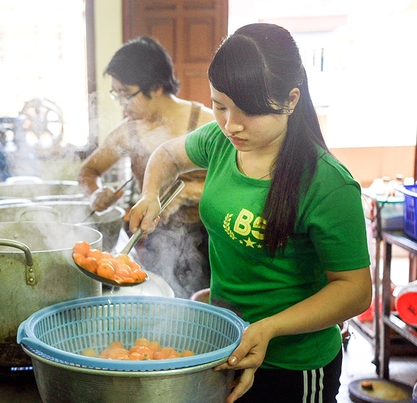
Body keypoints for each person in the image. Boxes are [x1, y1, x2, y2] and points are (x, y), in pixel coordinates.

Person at [128, 23, 372, 403]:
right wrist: (150, 195)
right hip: (228, 344)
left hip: (294, 366)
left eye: (249, 111)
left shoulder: (328, 184)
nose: (231, 124)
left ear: (291, 100)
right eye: (219, 105)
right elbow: (168, 156)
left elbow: (355, 290)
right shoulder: (221, 141)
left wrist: (269, 327)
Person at [78, 36, 215, 299]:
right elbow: (88, 171)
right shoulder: (129, 131)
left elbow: (235, 183)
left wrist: (187, 193)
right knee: (159, 308)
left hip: (208, 239)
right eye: (116, 93)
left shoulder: (205, 123)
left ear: (155, 87)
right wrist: (96, 193)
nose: (121, 103)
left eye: (126, 94)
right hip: (156, 238)